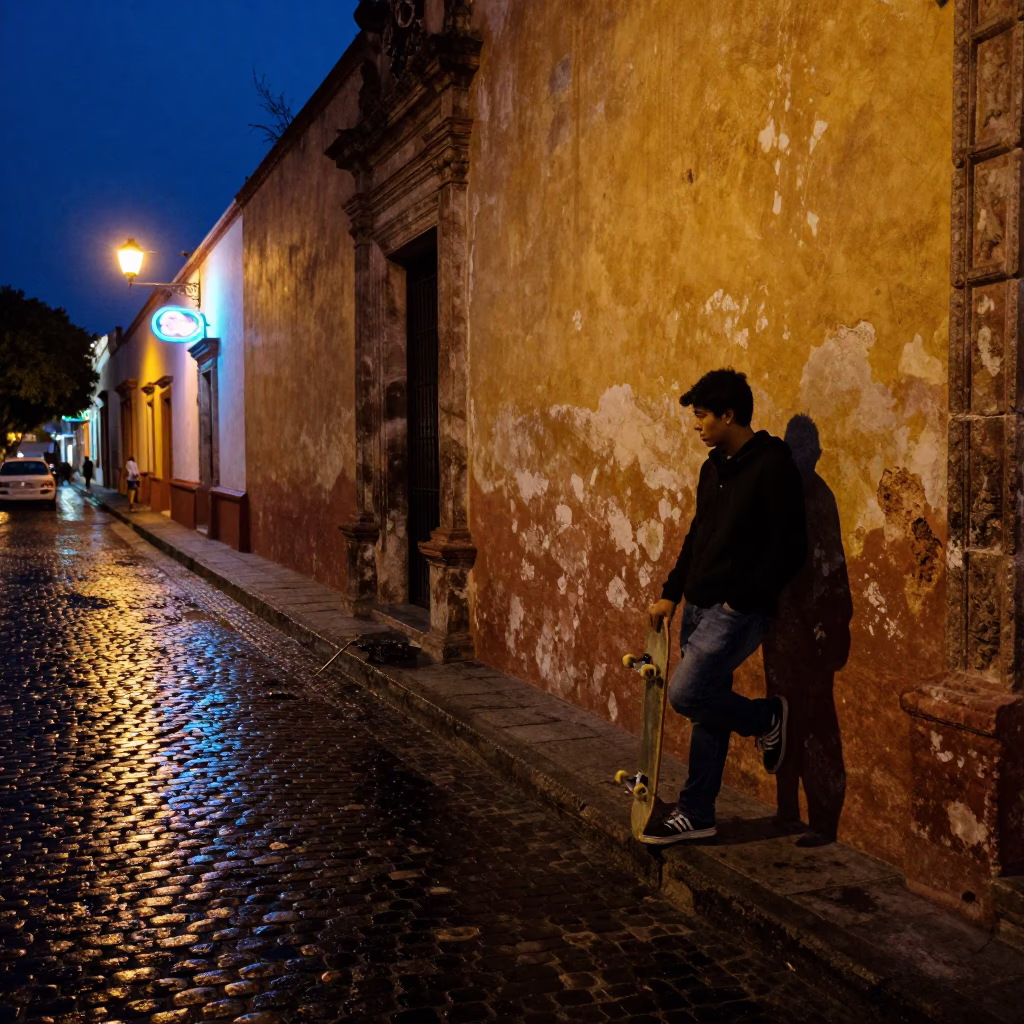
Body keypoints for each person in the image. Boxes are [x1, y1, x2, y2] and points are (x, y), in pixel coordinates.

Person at [642, 368, 807, 844]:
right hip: (699, 604)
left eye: (701, 416)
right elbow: (699, 536)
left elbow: (788, 548)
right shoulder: (712, 467)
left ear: (728, 415)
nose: (696, 425)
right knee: (706, 710)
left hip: (738, 609)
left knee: (685, 693)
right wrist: (672, 592)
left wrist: (743, 599)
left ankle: (765, 718)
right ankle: (697, 812)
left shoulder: (773, 465)